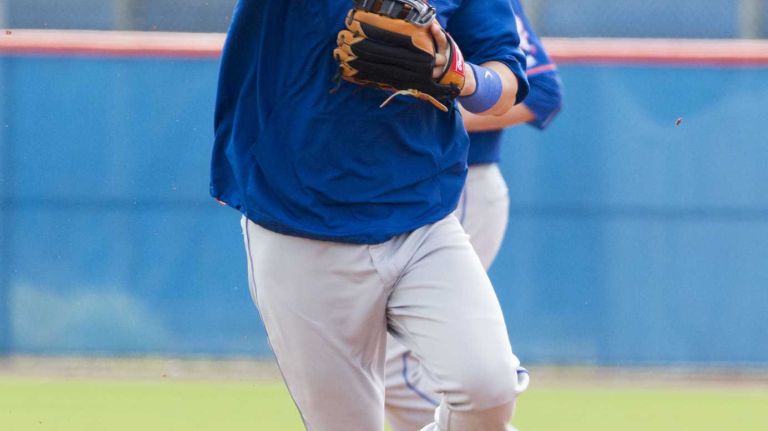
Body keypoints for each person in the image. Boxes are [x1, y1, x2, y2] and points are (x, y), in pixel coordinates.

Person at [211, 1, 530, 430]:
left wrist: (463, 75)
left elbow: (506, 80)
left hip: (421, 219)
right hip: (300, 221)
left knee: (487, 387)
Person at [384, 1, 564, 430]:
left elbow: (542, 92)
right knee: (387, 365)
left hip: (458, 187)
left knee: (396, 370)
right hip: (393, 186)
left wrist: (425, 116)